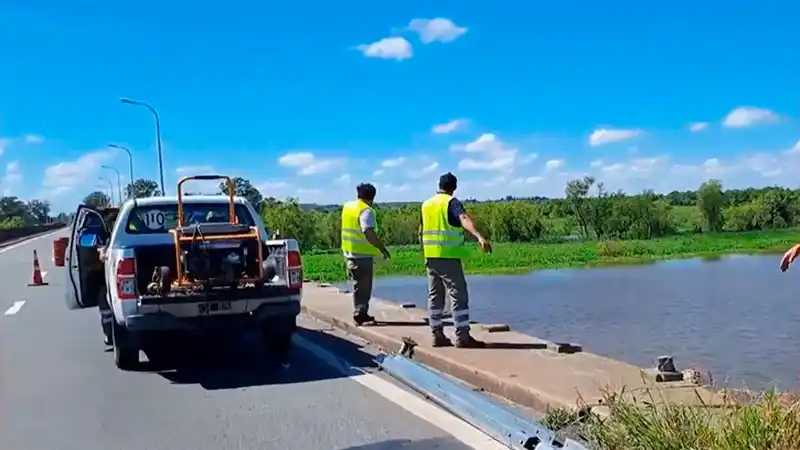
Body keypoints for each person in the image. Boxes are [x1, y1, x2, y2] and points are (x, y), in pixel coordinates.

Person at [420, 172, 491, 348]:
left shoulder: (426, 205)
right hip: (448, 255)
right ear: (454, 187)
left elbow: (420, 231)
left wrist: (424, 252)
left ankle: (437, 334)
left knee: (435, 295)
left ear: (439, 185)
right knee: (458, 293)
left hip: (431, 256)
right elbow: (463, 219)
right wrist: (479, 237)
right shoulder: (451, 202)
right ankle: (462, 337)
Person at [340, 183, 391, 325]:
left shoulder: (348, 207)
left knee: (358, 286)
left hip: (349, 252)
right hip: (362, 256)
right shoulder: (366, 211)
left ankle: (360, 311)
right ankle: (360, 313)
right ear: (372, 197)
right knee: (364, 287)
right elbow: (367, 230)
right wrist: (382, 248)